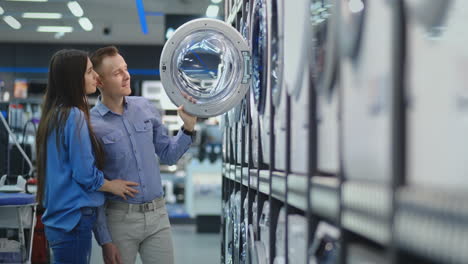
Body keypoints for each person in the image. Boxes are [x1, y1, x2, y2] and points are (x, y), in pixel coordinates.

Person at [90, 46, 197, 264]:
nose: (126, 75)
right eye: (117, 73)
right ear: (99, 82)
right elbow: (93, 185)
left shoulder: (145, 107)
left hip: (158, 216)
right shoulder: (91, 124)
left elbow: (168, 155)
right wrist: (104, 240)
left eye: (125, 69)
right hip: (119, 220)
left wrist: (187, 127)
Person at [35, 49, 140, 263]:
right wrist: (113, 185)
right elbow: (85, 174)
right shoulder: (74, 116)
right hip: (74, 219)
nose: (96, 77)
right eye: (90, 71)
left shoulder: (54, 114)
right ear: (75, 79)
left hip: (59, 219)